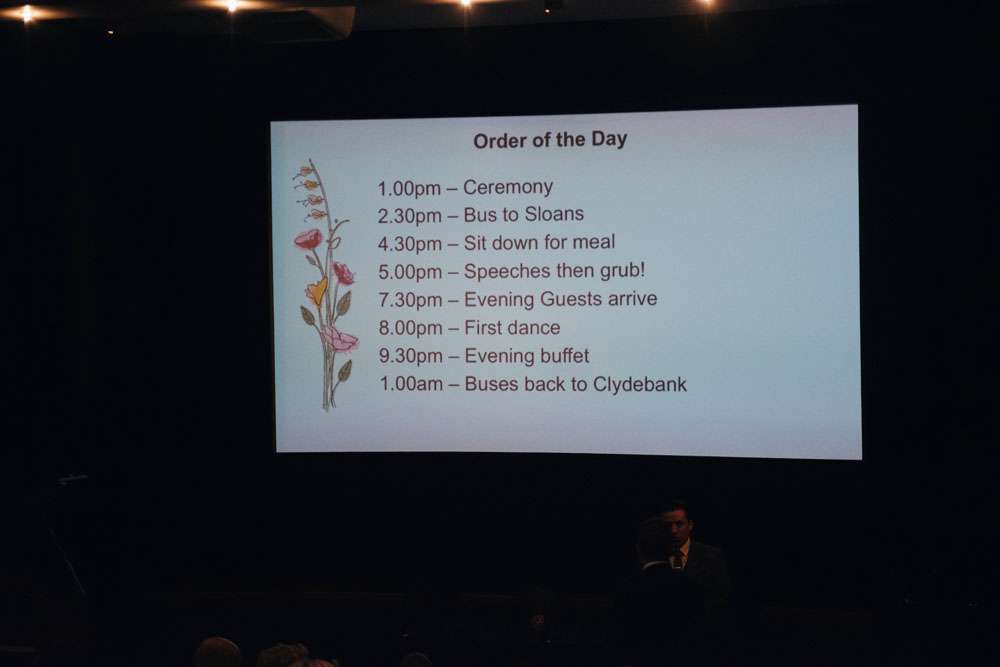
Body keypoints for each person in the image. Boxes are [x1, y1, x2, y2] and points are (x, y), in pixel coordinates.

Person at [611, 516, 705, 664]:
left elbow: (620, 639)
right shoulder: (690, 586)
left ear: (638, 548)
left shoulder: (627, 589)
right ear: (670, 548)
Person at [661, 499, 732, 611]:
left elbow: (722, 597)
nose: (673, 530)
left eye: (679, 524)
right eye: (667, 525)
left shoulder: (711, 556)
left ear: (690, 525)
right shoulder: (655, 555)